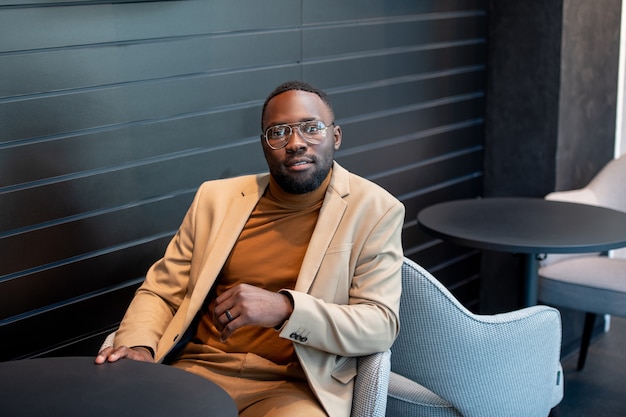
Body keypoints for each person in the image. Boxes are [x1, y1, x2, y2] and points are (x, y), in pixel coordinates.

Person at [95, 80, 404, 417]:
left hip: (294, 388)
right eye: (278, 132)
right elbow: (162, 291)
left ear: (336, 136)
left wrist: (285, 309)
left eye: (311, 128)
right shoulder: (216, 199)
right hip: (197, 372)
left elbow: (380, 324)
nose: (296, 143)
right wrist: (140, 346)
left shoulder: (375, 210)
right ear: (264, 144)